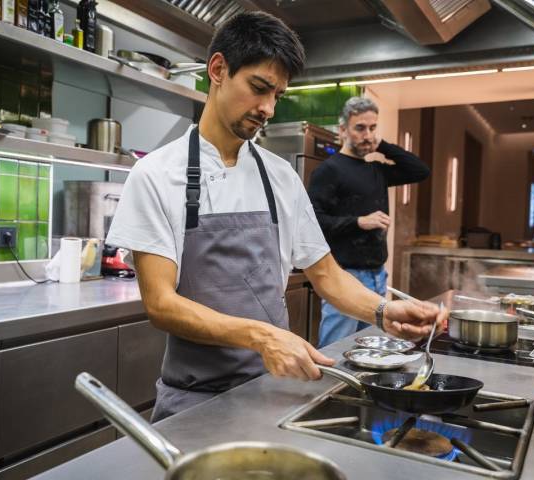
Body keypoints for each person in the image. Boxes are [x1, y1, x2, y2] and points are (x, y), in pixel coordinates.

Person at [106, 12, 445, 422]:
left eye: (277, 95)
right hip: (194, 402)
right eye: (259, 88)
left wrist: (383, 311)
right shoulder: (157, 174)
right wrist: (262, 336)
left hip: (274, 393)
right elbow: (161, 304)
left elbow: (327, 276)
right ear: (218, 70)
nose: (268, 108)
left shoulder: (280, 176)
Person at [308, 97, 430, 348]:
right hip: (344, 276)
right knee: (336, 349)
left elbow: (420, 170)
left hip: (377, 274)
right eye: (360, 128)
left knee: (367, 350)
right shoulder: (329, 170)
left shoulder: (376, 170)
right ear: (343, 130)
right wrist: (358, 222)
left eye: (373, 128)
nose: (367, 135)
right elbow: (313, 222)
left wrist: (382, 145)